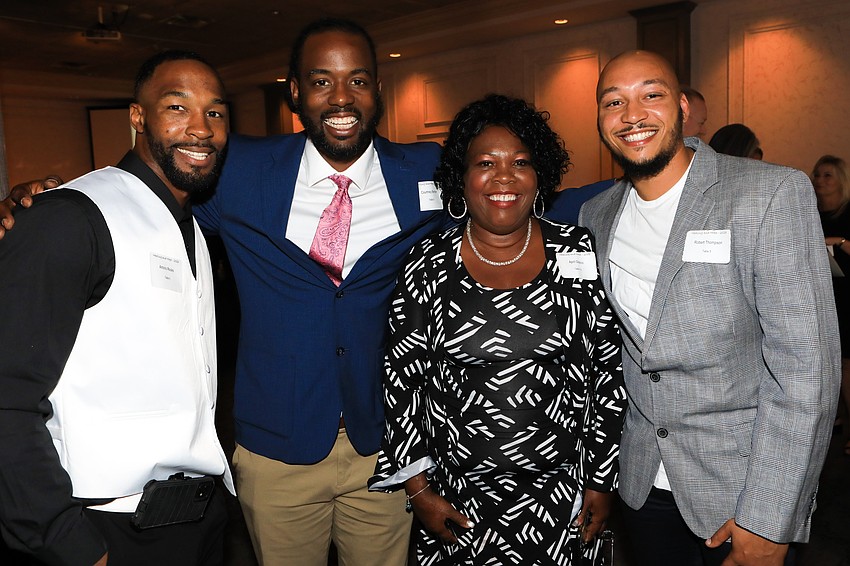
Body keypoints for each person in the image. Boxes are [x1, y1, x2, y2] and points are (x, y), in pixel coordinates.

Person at [579, 50, 839, 566]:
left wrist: (769, 516)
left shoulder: (767, 193)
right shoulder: (597, 214)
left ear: (680, 106)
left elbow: (808, 370)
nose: (633, 115)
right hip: (642, 486)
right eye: (614, 102)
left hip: (739, 490)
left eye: (650, 95)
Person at [369, 94, 627, 565]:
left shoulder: (577, 250)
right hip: (457, 504)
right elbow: (402, 384)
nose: (504, 177)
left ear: (539, 176)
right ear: (461, 179)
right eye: (486, 163)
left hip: (562, 502)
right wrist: (418, 490)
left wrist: (600, 480)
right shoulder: (428, 263)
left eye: (521, 162)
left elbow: (607, 375)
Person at [0, 50, 234, 565]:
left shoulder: (192, 225)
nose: (201, 129)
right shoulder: (69, 219)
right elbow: (8, 399)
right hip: (109, 530)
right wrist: (67, 542)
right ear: (138, 118)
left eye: (215, 113)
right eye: (177, 107)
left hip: (198, 523)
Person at [812, 154, 850, 455]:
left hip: (847, 293)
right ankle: (837, 418)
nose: (820, 181)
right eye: (818, 175)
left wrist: (838, 243)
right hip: (823, 293)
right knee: (829, 361)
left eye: (828, 175)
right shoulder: (812, 212)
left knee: (847, 363)